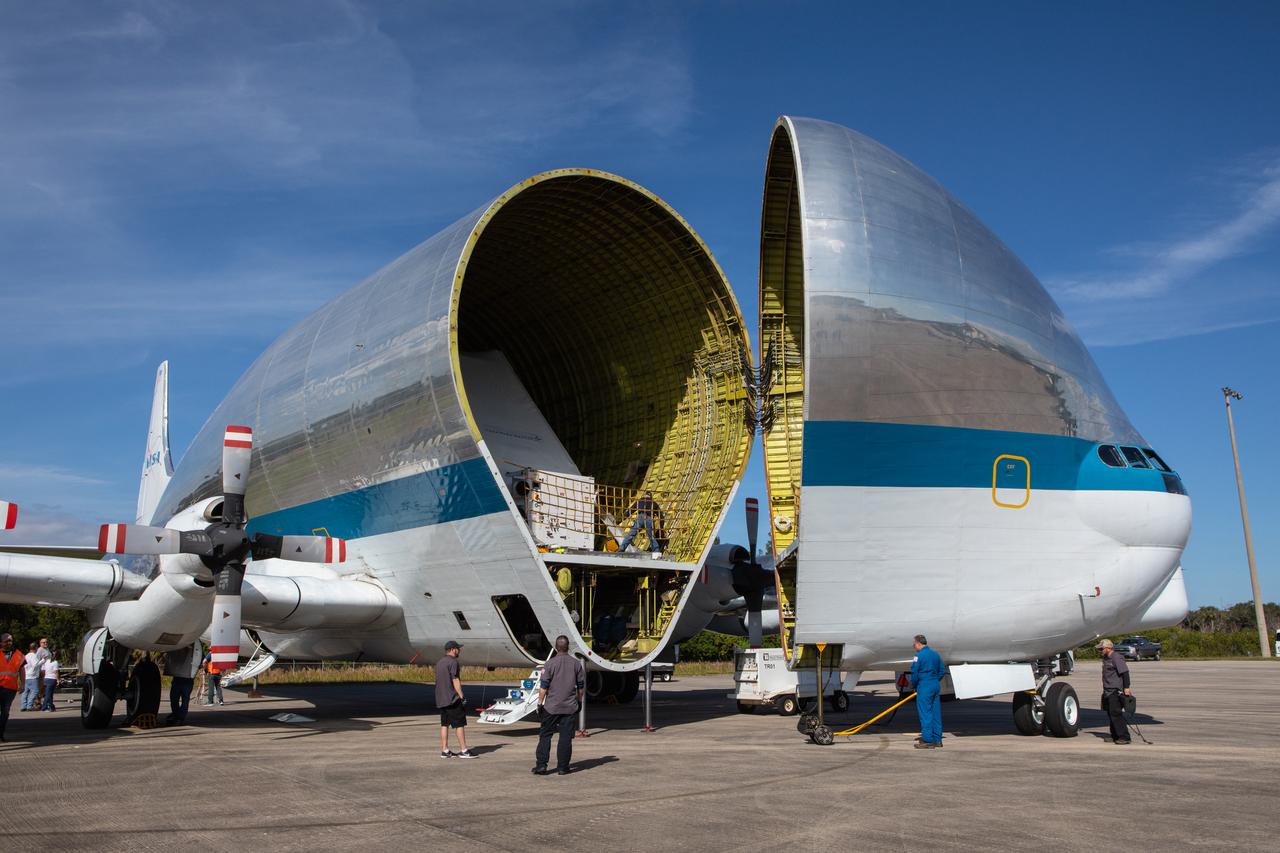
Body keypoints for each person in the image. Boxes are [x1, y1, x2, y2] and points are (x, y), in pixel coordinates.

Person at [532, 635, 585, 776]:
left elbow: (543, 687)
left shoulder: (550, 664)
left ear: (556, 648)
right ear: (568, 647)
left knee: (545, 735)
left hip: (551, 707)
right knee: (566, 738)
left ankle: (542, 766)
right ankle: (563, 767)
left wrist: (539, 703)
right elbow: (580, 687)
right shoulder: (576, 664)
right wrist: (579, 701)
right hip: (569, 707)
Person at [434, 641, 475, 759]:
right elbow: (455, 680)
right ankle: (464, 750)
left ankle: (445, 750)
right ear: (453, 649)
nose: (459, 650)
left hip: (441, 698)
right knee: (459, 724)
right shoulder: (453, 662)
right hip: (452, 698)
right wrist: (461, 696)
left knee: (444, 724)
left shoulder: (440, 662)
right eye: (458, 648)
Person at [910, 634, 947, 749]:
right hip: (935, 684)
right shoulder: (935, 655)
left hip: (924, 686)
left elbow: (915, 674)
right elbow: (942, 670)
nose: (913, 646)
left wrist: (914, 685)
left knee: (925, 714)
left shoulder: (918, 656)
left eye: (914, 644)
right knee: (935, 713)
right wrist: (935, 680)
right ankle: (937, 739)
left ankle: (927, 740)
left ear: (918, 643)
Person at [1097, 638, 1132, 744]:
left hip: (1115, 691)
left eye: (1101, 648)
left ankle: (1124, 737)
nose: (1100, 651)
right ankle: (1115, 735)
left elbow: (1125, 673)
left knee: (1116, 713)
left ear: (1108, 648)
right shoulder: (1106, 658)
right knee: (1110, 713)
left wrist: (1126, 687)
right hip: (1107, 690)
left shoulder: (1116, 657)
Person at [21, 642, 40, 711]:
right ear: (36, 648)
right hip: (32, 676)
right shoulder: (33, 656)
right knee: (35, 691)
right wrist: (42, 661)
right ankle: (29, 705)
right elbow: (35, 665)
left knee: (25, 692)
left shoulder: (26, 656)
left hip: (26, 676)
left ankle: (23, 706)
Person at [34, 638, 50, 709]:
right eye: (44, 642)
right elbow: (36, 661)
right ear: (40, 643)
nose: (45, 643)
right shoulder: (40, 650)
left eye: (46, 642)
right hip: (42, 671)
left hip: (47, 670)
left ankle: (41, 702)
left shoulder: (47, 649)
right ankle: (37, 702)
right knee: (41, 687)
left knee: (44, 687)